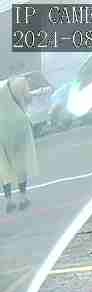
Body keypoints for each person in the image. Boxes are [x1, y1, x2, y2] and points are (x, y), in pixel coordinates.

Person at [0, 75, 38, 213]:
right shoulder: (20, 81)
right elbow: (28, 99)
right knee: (20, 162)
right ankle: (23, 198)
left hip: (1, 128)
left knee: (3, 164)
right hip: (18, 124)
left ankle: (8, 201)